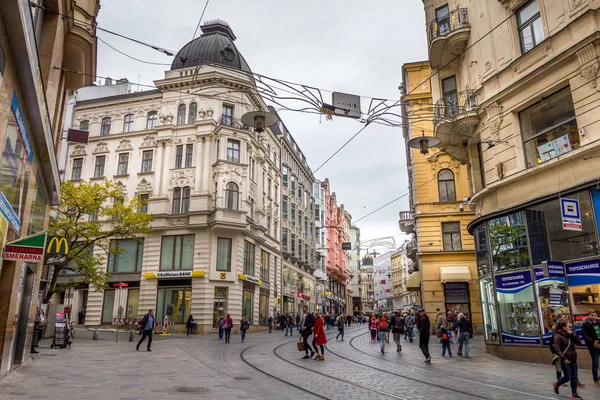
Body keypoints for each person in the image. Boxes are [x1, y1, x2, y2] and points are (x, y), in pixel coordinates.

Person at [553, 321, 583, 398]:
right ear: (563, 327)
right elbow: (557, 348)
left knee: (574, 377)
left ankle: (574, 393)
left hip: (573, 359)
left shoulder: (570, 335)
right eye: (568, 326)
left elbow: (579, 342)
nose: (569, 328)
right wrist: (563, 358)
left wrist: (572, 335)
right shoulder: (558, 336)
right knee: (568, 377)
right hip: (565, 359)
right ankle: (557, 384)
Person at [582, 308, 600, 387]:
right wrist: (593, 341)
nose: (594, 317)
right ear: (589, 316)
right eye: (592, 315)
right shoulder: (586, 324)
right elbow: (585, 335)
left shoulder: (599, 322)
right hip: (593, 346)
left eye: (595, 315)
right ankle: (595, 380)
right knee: (595, 363)